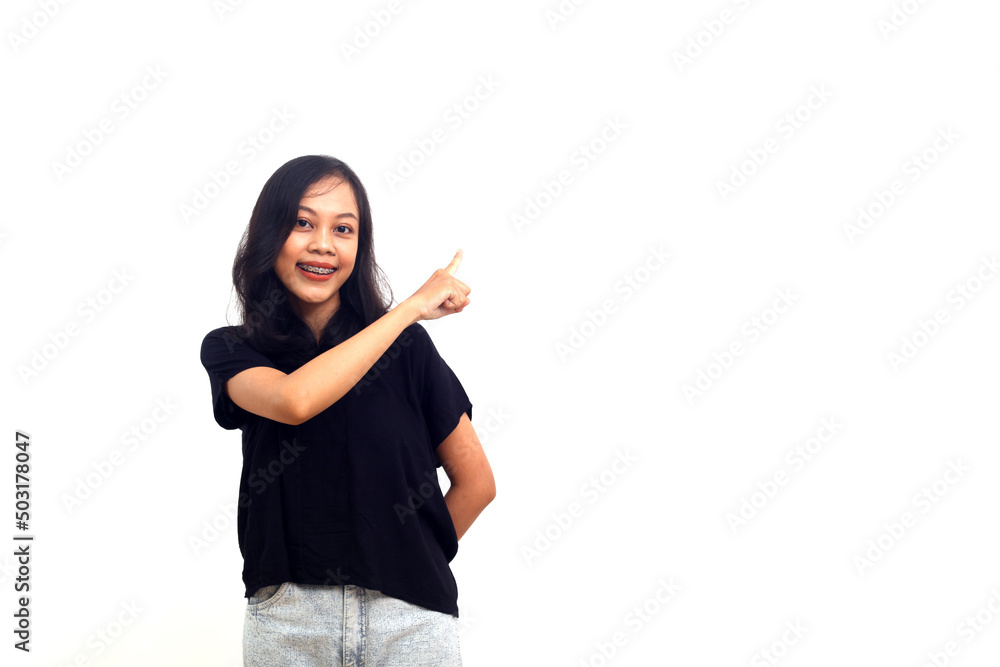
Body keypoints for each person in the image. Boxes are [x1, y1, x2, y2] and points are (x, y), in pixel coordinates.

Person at [199, 155, 495, 666]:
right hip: (289, 624)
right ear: (270, 234)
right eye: (302, 223)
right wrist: (410, 308)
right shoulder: (233, 349)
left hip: (411, 623)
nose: (323, 244)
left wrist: (410, 560)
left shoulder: (409, 351)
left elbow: (478, 484)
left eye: (343, 229)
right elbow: (294, 401)